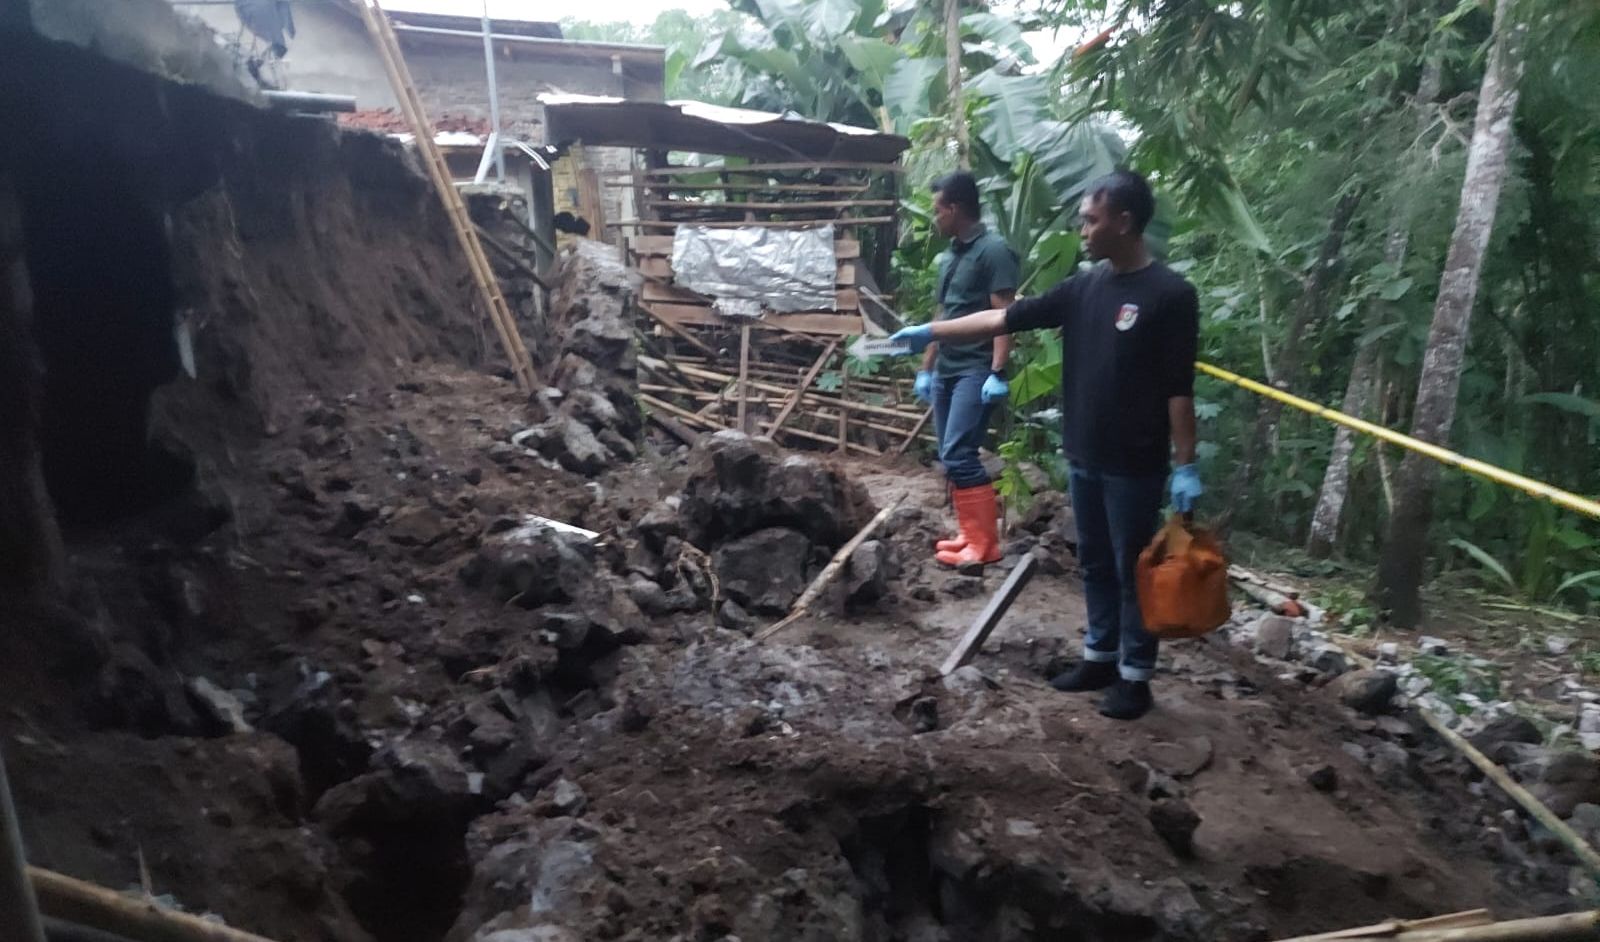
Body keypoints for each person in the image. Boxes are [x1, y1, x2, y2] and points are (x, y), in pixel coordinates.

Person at [890, 169, 1202, 720]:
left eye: (1092, 219)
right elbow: (1005, 316)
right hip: (1084, 451)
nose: (1083, 229)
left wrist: (1186, 465)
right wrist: (932, 333)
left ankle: (1136, 676)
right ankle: (1099, 656)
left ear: (1124, 222)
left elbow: (1179, 389)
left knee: (1133, 568)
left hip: (1135, 461)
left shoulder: (1170, 295)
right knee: (1096, 564)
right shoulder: (1085, 287)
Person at [918, 171, 1020, 568]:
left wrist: (997, 371)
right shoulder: (950, 256)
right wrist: (927, 367)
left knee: (960, 454)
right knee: (950, 455)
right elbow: (942, 315)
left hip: (975, 369)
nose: (935, 218)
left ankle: (986, 544)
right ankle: (969, 535)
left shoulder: (993, 251)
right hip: (947, 369)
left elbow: (1004, 315)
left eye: (938, 211)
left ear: (955, 208)